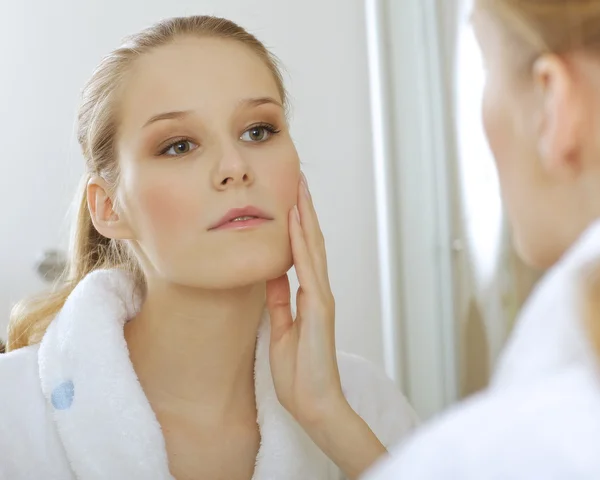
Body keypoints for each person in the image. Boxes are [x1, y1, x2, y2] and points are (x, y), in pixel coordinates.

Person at [0, 15, 417, 480]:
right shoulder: (10, 414)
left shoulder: (364, 404)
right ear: (109, 208)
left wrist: (332, 421)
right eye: (179, 146)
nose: (235, 167)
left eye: (258, 131)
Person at [364, 0, 600, 478]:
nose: (233, 171)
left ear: (553, 103)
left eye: (484, 65)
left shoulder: (507, 453)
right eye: (178, 146)